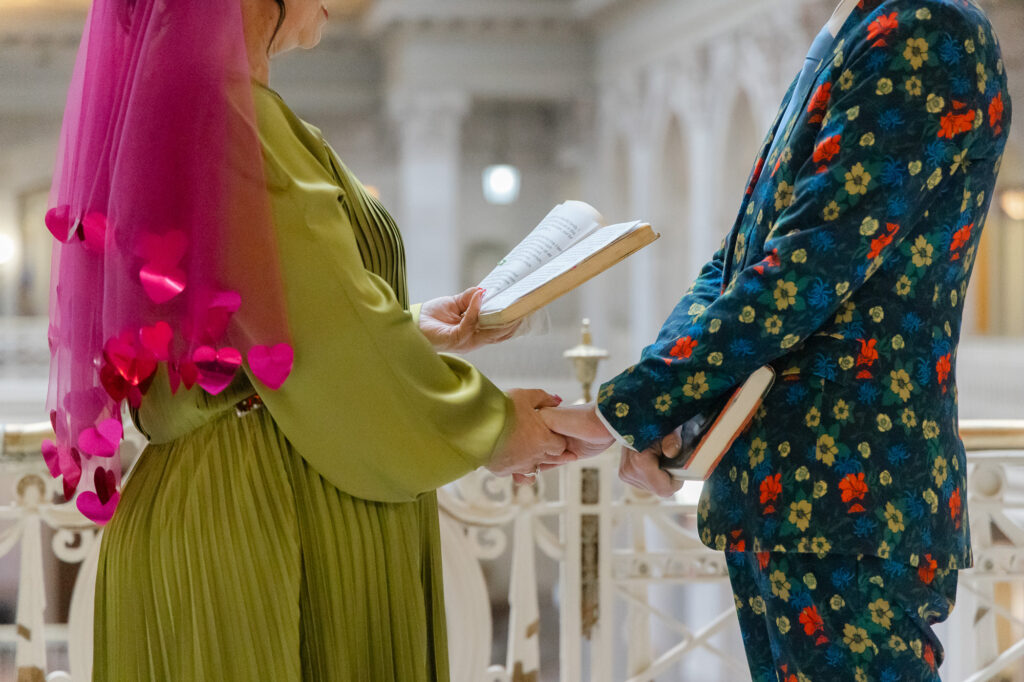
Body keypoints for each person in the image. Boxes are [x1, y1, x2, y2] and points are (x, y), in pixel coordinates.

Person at [42, 0, 596, 679]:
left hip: (220, 499)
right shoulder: (232, 117)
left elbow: (259, 314)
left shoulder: (186, 107)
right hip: (263, 512)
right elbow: (313, 330)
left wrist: (409, 324)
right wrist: (492, 424)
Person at [543, 0, 1012, 678]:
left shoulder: (924, 27)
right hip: (793, 494)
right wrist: (655, 403)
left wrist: (631, 407)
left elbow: (810, 266)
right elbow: (737, 261)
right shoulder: (853, 27)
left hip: (850, 493)